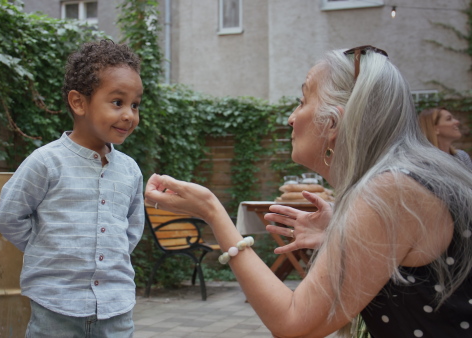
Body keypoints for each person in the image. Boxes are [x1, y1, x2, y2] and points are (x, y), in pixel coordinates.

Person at [145, 45, 472, 337]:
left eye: (302, 101)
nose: (290, 118)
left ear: (333, 125)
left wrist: (211, 211)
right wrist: (341, 232)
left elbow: (294, 323)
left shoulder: (391, 191)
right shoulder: (408, 178)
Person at [0, 39, 144, 337]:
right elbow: (9, 216)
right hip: (55, 308)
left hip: (116, 309)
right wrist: (49, 249)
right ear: (79, 103)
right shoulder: (46, 162)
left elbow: (131, 228)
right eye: (117, 102)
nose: (129, 114)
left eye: (135, 104)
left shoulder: (130, 170)